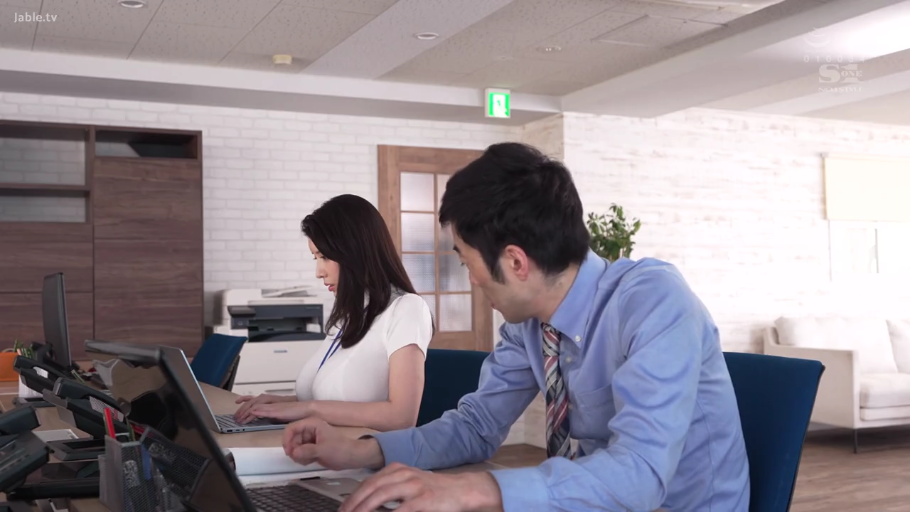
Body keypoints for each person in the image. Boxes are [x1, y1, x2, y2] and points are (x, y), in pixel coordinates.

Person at [280, 143, 751, 511]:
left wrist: (475, 489)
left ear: (516, 263)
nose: (470, 279)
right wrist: (361, 451)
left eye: (466, 261)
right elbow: (476, 427)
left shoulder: (654, 301)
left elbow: (641, 473)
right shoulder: (529, 325)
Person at [234, 194, 434, 432]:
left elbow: (402, 417)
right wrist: (283, 404)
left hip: (360, 451)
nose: (319, 272)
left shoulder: (407, 308)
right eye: (316, 257)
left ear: (355, 251)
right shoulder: (351, 313)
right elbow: (333, 399)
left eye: (325, 257)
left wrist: (309, 409)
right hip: (321, 444)